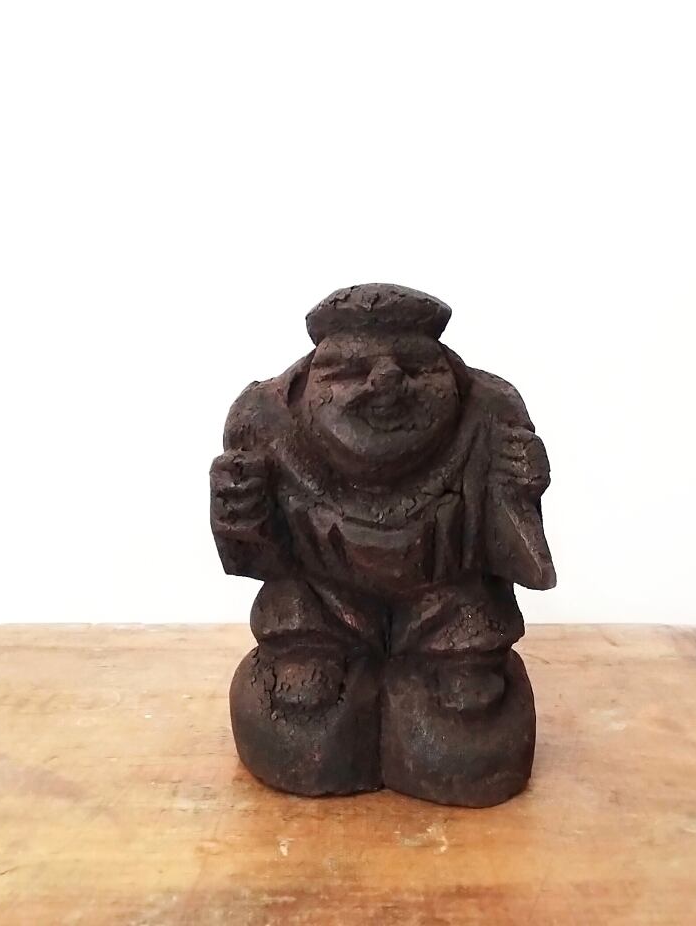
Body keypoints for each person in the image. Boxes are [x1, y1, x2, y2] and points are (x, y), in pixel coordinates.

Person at [210, 284, 555, 806]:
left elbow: (510, 545)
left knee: (466, 708)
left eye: (417, 368)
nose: (386, 381)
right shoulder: (263, 424)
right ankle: (317, 663)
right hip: (323, 601)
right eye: (349, 371)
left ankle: (453, 673)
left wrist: (519, 490)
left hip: (445, 598)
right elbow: (258, 555)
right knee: (302, 693)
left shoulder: (489, 414)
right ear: (303, 383)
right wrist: (240, 509)